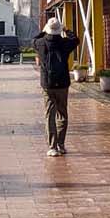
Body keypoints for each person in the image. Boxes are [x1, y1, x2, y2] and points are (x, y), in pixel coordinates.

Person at [33, 16, 78, 156]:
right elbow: (76, 39)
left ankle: (52, 146)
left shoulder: (40, 43)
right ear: (59, 30)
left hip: (48, 83)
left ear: (47, 29)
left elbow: (33, 40)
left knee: (49, 115)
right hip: (63, 83)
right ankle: (61, 144)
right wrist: (66, 29)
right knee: (62, 113)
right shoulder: (65, 43)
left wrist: (43, 30)